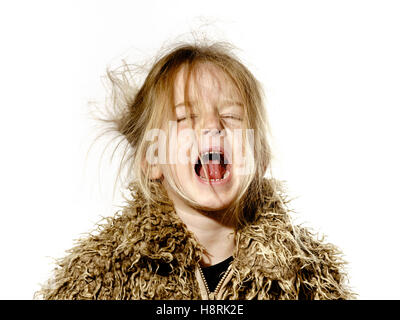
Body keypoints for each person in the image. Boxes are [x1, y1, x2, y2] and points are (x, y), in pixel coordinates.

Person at [36, 41, 354, 300]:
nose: (213, 127)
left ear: (258, 157)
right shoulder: (99, 279)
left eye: (231, 116)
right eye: (186, 118)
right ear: (152, 159)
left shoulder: (307, 280)